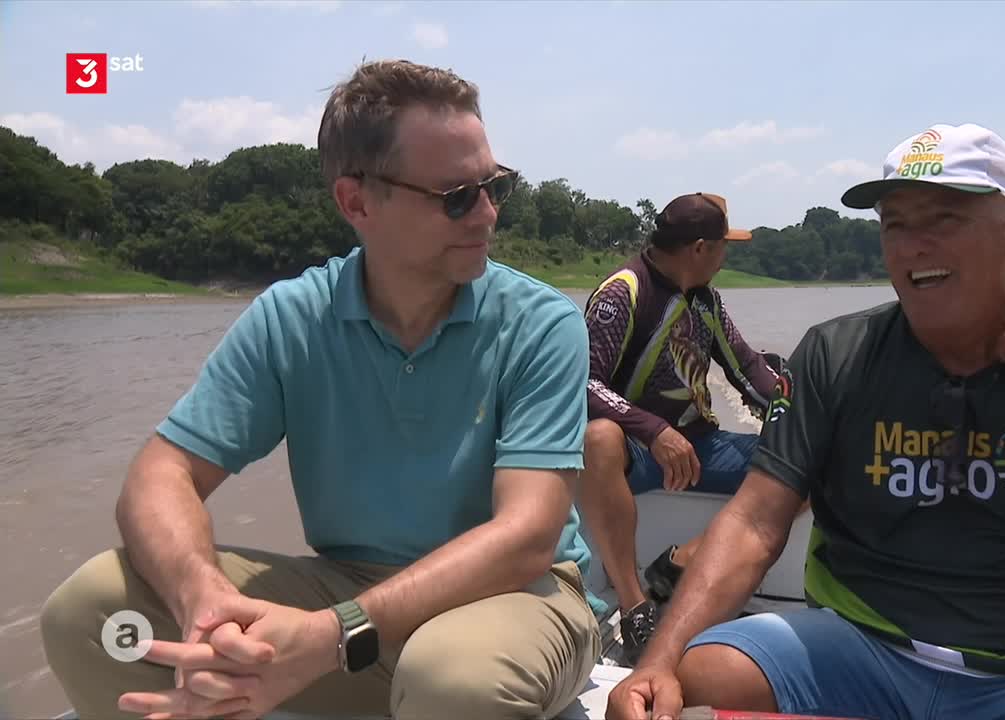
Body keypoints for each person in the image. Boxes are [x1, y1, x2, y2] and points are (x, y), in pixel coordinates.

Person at [606, 123, 1005, 720]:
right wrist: (657, 661)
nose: (912, 245)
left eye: (944, 219)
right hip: (854, 645)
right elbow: (753, 523)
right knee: (691, 679)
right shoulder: (836, 353)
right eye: (896, 224)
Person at [40, 59, 600, 720]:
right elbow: (162, 475)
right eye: (456, 196)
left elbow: (528, 535)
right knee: (91, 610)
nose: (487, 213)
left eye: (494, 185)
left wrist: (336, 633)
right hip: (349, 593)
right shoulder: (292, 319)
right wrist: (202, 600)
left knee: (452, 680)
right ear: (356, 202)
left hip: (518, 596)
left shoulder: (541, 324)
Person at [578, 192, 784, 665]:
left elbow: (747, 369)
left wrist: (804, 411)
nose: (726, 256)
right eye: (724, 246)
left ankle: (682, 561)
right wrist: (654, 430)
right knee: (598, 438)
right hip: (637, 449)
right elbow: (584, 382)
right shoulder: (623, 294)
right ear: (700, 249)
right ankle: (635, 607)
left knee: (811, 460)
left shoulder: (705, 300)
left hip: (702, 444)